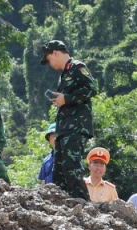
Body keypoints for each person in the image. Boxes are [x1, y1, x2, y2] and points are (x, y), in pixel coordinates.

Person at [40, 40, 96, 199]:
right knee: (59, 172)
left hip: (76, 127)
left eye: (49, 59)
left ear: (56, 53)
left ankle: (83, 204)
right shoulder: (64, 75)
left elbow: (92, 89)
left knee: (72, 168)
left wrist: (67, 98)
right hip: (64, 129)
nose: (50, 64)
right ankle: (63, 203)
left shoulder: (77, 67)